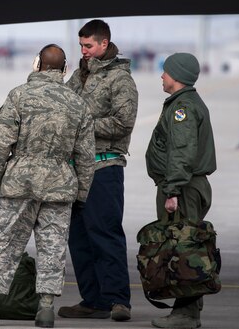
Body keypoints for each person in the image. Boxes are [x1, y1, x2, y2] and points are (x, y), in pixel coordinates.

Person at [0, 44, 95, 328]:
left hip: (20, 183)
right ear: (64, 70)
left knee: (6, 244)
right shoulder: (77, 104)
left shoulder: (19, 96)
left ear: (37, 64)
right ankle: (46, 309)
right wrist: (82, 194)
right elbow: (86, 157)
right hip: (60, 185)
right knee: (53, 248)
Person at [59, 19, 138, 322]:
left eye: (89, 46)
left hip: (104, 167)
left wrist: (83, 124)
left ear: (104, 44)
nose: (84, 51)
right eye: (81, 46)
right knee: (79, 239)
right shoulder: (80, 76)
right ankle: (93, 300)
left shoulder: (120, 79)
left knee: (105, 235)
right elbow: (63, 106)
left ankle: (119, 301)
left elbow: (123, 122)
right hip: (76, 169)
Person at [145, 52, 216, 329]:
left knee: (182, 248)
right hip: (185, 184)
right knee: (187, 244)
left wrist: (172, 190)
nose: (162, 76)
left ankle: (185, 314)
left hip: (183, 187)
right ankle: (189, 309)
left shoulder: (182, 108)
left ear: (177, 76)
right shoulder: (185, 103)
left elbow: (182, 152)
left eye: (165, 72)